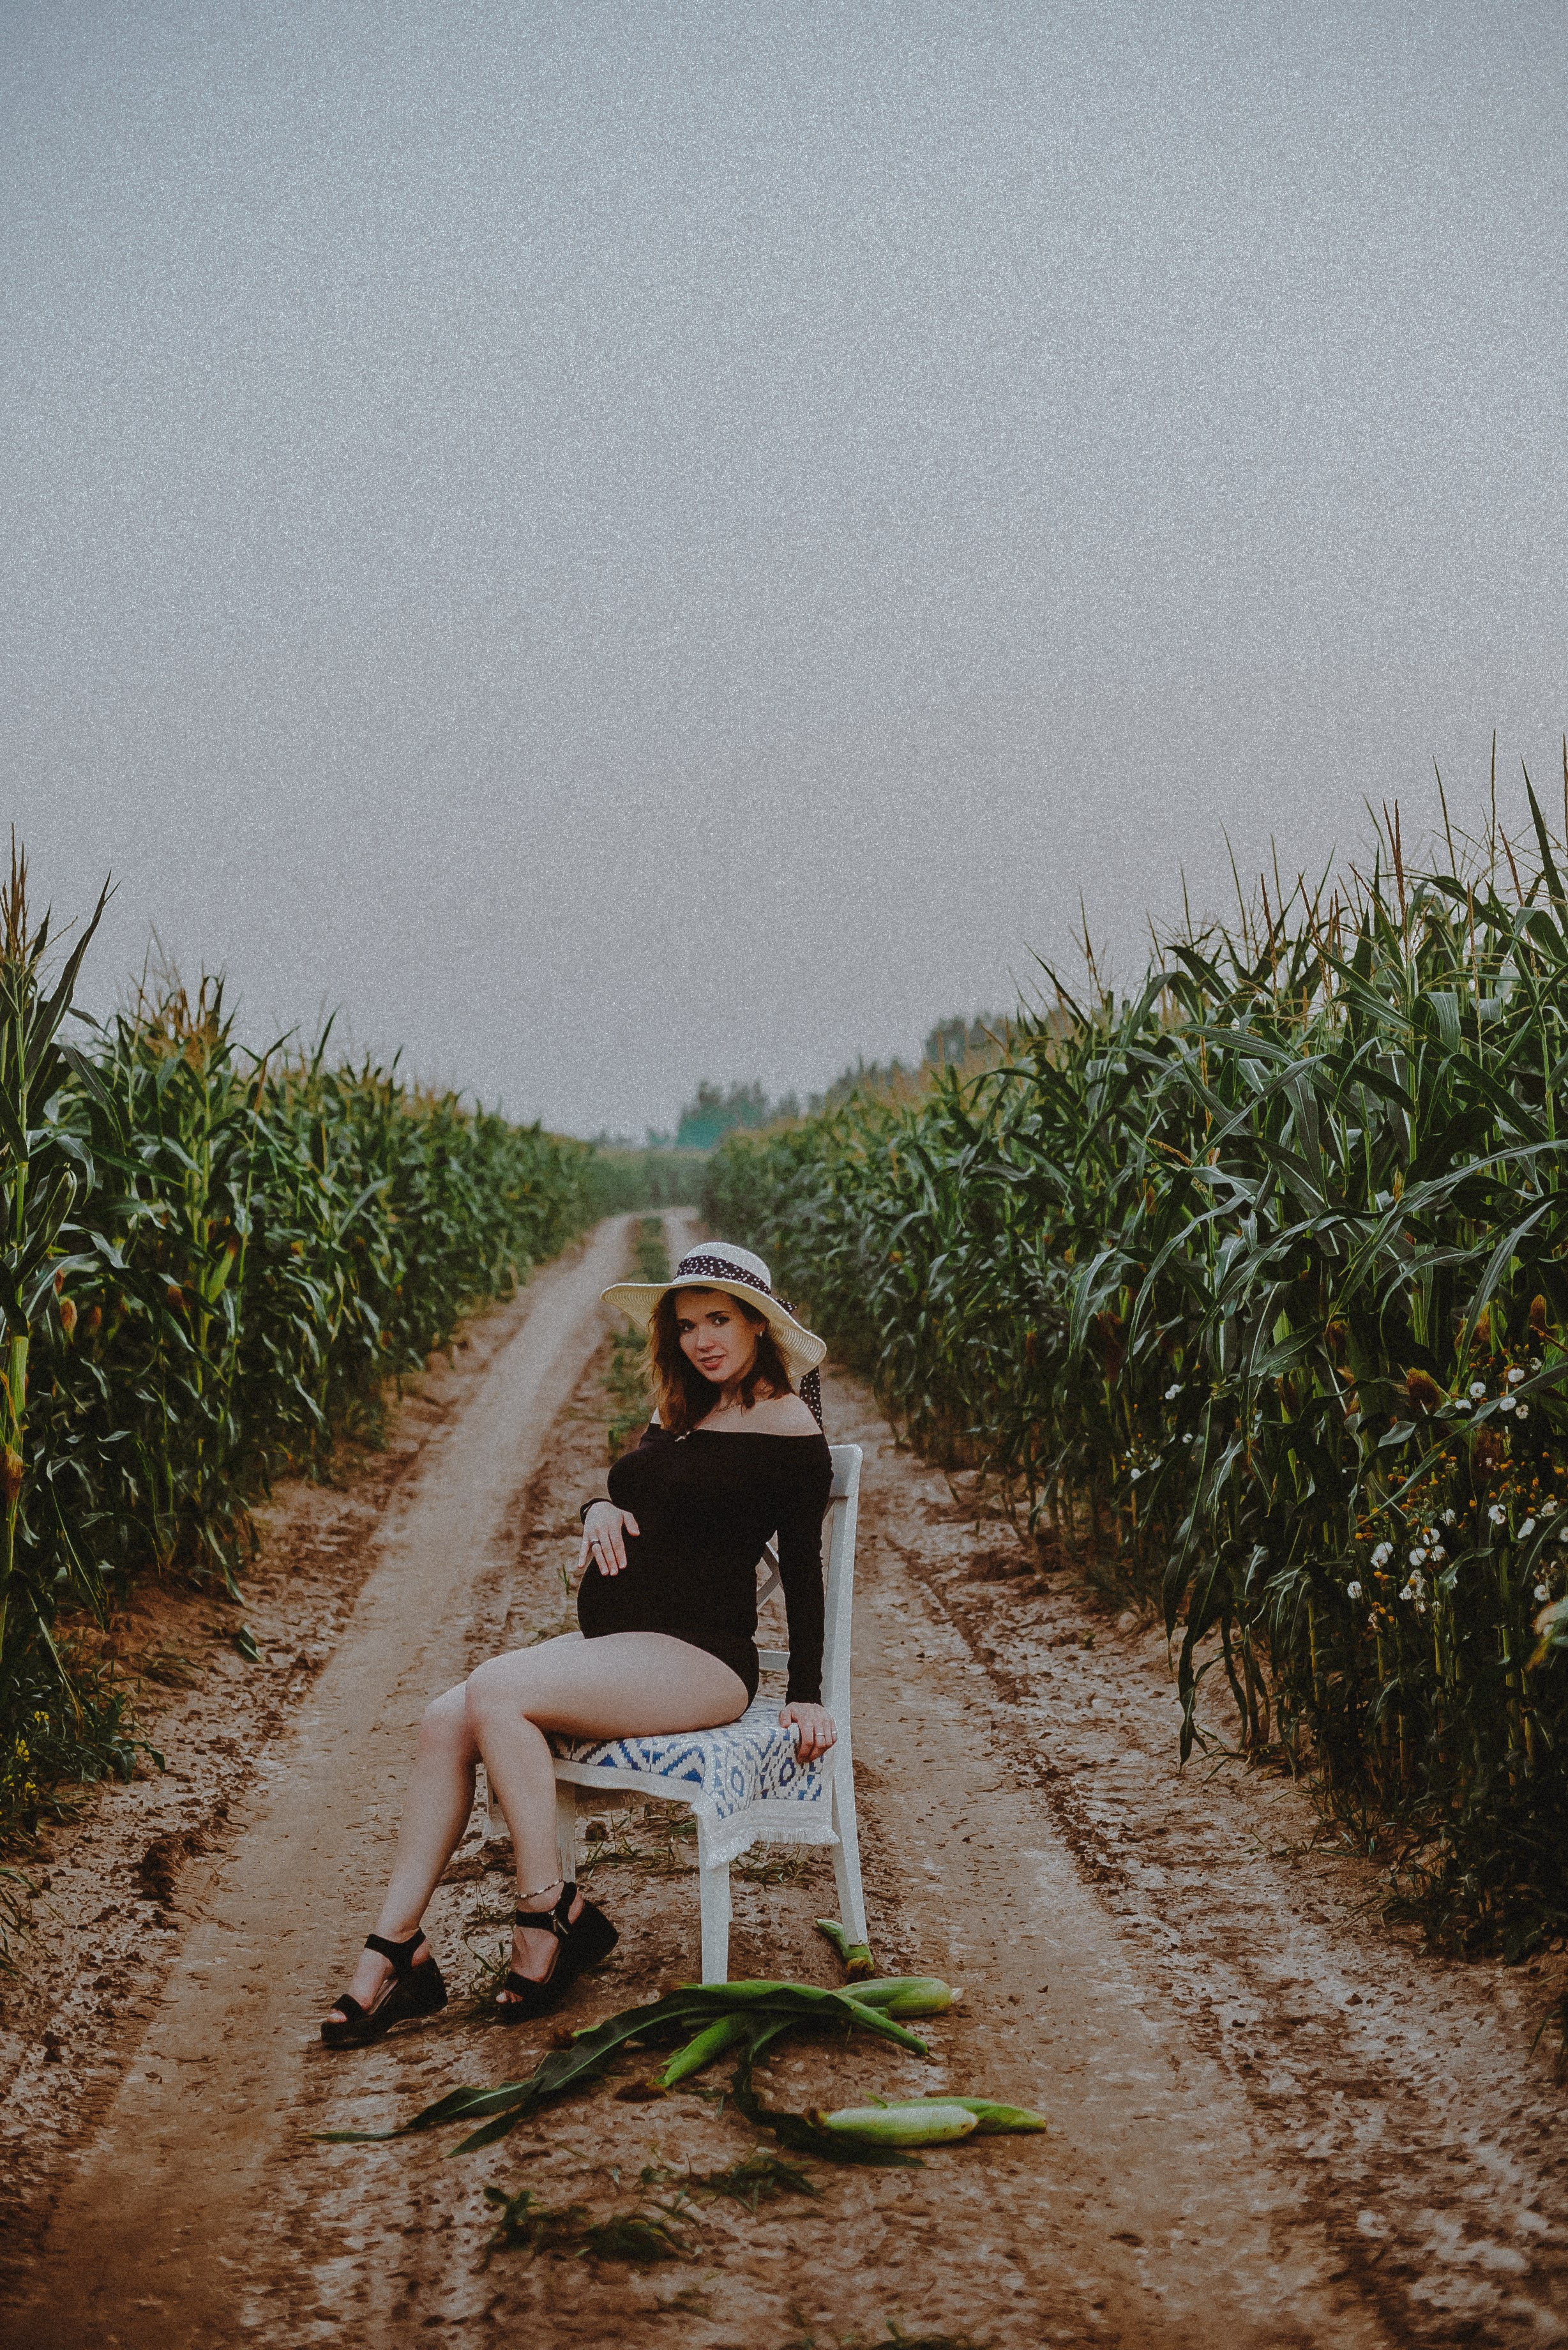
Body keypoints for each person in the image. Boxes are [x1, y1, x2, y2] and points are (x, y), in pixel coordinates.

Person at [321, 1240, 835, 2045]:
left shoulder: (788, 1424)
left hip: (701, 1658)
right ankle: (396, 1946)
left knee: (497, 1689)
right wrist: (598, 1506)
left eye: (718, 1320)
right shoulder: (682, 1406)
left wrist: (805, 1692)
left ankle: (544, 1910)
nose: (701, 1340)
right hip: (627, 1647)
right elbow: (635, 1485)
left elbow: (802, 1566)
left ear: (759, 1325)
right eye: (686, 1325)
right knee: (443, 1717)